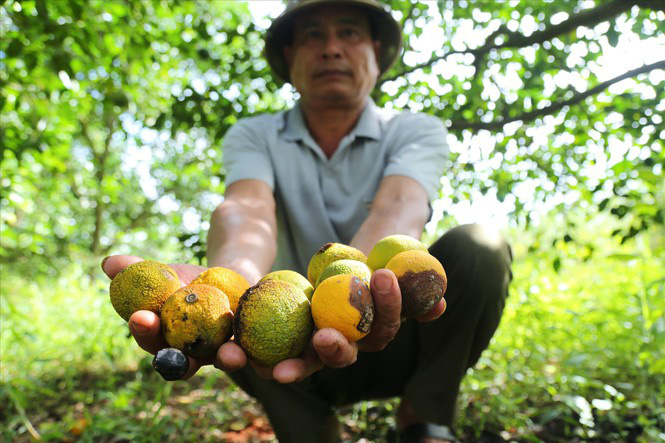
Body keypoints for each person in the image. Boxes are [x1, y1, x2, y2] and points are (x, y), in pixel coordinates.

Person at [102, 1, 513, 441]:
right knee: (244, 324)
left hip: (391, 331)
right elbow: (247, 208)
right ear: (289, 57)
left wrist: (360, 292)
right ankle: (311, 431)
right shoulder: (254, 135)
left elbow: (400, 204)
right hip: (288, 346)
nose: (332, 49)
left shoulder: (415, 130)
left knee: (479, 247)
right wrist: (233, 281)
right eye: (313, 35)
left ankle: (424, 417)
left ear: (375, 51)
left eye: (349, 32)